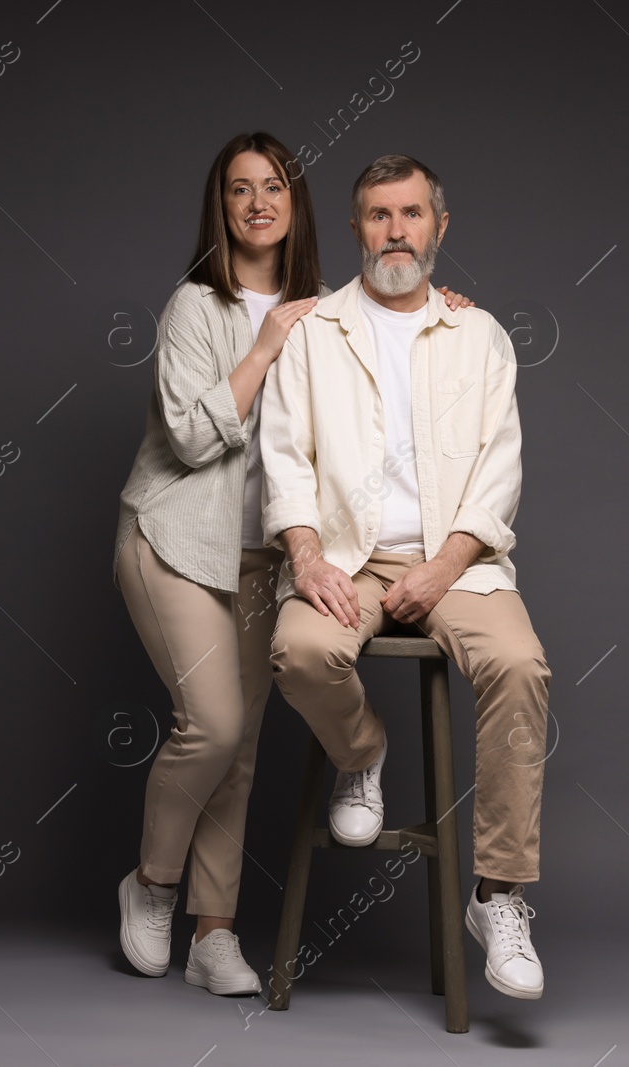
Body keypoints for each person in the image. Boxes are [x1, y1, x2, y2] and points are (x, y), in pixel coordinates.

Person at [111, 133, 472, 996]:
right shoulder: (196, 306)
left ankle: (215, 934)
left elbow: (396, 366)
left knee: (242, 753)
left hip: (264, 560)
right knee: (216, 725)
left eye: (273, 187)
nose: (259, 203)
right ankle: (152, 881)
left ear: (297, 204)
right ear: (222, 207)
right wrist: (266, 345)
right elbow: (193, 438)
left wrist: (438, 317)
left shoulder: (331, 311)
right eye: (241, 191)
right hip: (173, 542)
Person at [261, 153, 552, 1000]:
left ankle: (498, 896)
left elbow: (500, 470)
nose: (396, 230)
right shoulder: (315, 331)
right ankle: (364, 751)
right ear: (356, 228)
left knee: (520, 666)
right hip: (344, 555)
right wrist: (307, 554)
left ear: (440, 225)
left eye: (412, 214)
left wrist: (445, 566)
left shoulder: (480, 334)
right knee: (303, 655)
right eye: (379, 215)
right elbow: (284, 455)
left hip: (454, 557)